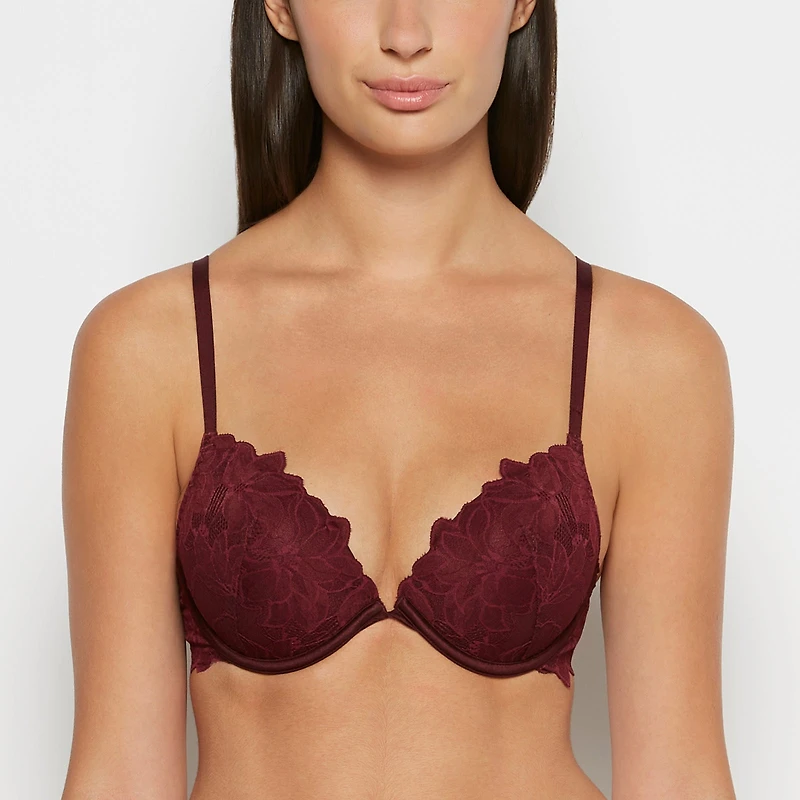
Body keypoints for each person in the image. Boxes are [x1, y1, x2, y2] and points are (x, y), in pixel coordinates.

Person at [60, 1, 737, 798]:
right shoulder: (151, 347)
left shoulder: (652, 358)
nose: (405, 35)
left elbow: (680, 776)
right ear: (279, 7)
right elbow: (118, 776)